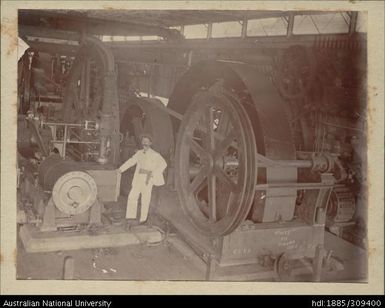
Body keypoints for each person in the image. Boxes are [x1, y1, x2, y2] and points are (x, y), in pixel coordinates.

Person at [118, 134, 167, 226]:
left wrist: (154, 173)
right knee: (132, 196)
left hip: (147, 179)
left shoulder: (155, 155)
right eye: (143, 141)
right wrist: (120, 169)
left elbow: (163, 164)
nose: (144, 143)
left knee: (145, 199)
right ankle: (131, 217)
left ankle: (143, 219)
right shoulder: (139, 153)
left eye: (146, 141)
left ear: (150, 143)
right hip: (138, 178)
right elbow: (131, 161)